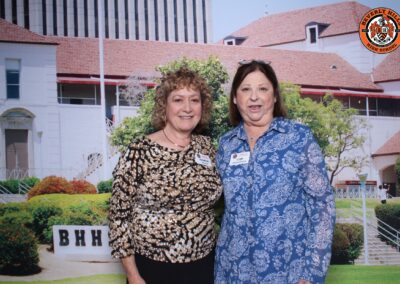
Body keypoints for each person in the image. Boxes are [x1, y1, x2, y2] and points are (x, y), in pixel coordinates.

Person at [214, 60, 336, 284]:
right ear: (234, 97)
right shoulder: (226, 145)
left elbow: (323, 208)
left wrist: (311, 274)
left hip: (290, 271)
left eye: (263, 89)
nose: (254, 97)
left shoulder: (299, 138)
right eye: (245, 89)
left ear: (275, 95)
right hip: (233, 271)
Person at [108, 66, 223, 284]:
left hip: (203, 267)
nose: (187, 108)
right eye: (178, 100)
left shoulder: (208, 148)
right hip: (151, 269)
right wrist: (133, 275)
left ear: (203, 106)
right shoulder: (139, 151)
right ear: (165, 106)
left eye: (194, 100)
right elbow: (118, 218)